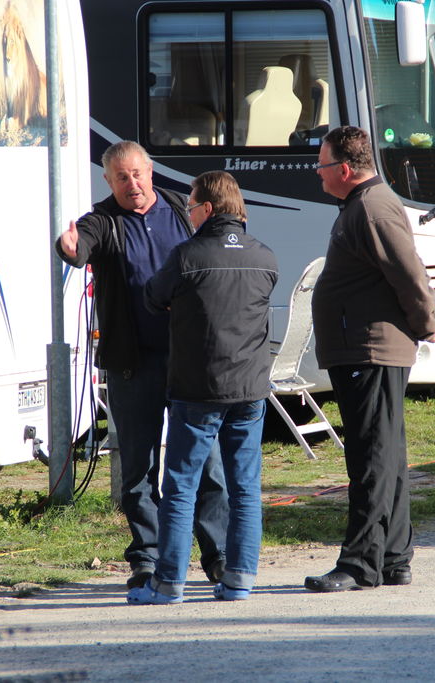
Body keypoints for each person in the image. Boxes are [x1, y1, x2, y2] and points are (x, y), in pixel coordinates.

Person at [56, 141, 228, 589]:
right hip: (133, 365)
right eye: (121, 177)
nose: (131, 184)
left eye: (137, 174)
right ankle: (147, 559)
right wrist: (69, 248)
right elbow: (81, 245)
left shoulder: (179, 206)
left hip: (188, 360)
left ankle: (218, 555)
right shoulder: (103, 220)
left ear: (150, 172)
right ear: (108, 181)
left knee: (206, 462)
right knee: (138, 468)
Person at [128, 171, 278, 604]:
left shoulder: (187, 255)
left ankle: (168, 582)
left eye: (191, 206)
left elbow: (153, 297)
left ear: (208, 209)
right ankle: (239, 580)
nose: (188, 213)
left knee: (180, 486)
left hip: (198, 389)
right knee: (245, 487)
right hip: (250, 389)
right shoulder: (265, 257)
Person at [304, 126, 435, 592]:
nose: (318, 173)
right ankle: (394, 558)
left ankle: (360, 564)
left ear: (344, 169)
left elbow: (409, 272)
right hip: (364, 348)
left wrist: (426, 322)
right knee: (385, 456)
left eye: (322, 165)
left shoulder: (372, 207)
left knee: (372, 459)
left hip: (371, 350)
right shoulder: (359, 205)